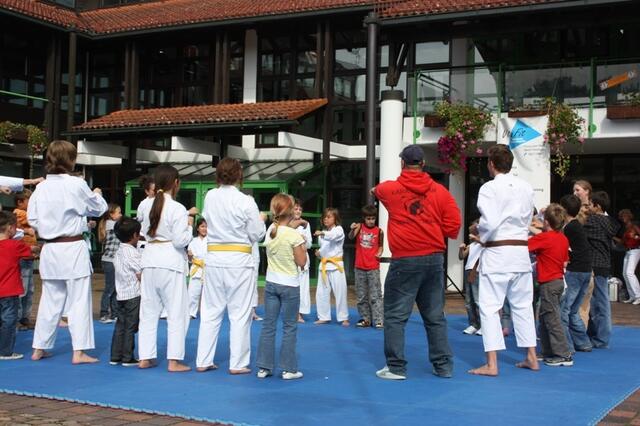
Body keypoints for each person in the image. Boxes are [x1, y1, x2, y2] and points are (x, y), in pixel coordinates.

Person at [373, 144, 461, 380]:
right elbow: (453, 226)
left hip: (405, 259)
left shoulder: (390, 189)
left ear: (402, 163)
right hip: (433, 258)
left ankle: (396, 367)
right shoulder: (440, 192)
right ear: (423, 164)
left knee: (395, 315)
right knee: (434, 316)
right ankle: (443, 366)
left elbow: (376, 190)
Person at [28, 140, 108, 364]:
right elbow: (99, 208)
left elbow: (33, 219)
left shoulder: (41, 188)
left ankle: (39, 347)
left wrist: (51, 225)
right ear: (71, 160)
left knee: (49, 300)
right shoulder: (76, 184)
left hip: (50, 247)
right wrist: (97, 194)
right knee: (79, 300)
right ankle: (79, 351)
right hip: (72, 247)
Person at [469, 144, 538, 377]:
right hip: (520, 252)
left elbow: (489, 222)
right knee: (523, 305)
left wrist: (480, 233)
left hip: (498, 253)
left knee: (489, 307)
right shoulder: (525, 187)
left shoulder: (489, 188)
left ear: (491, 164)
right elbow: (528, 218)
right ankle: (531, 356)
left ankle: (492, 364)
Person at [196, 157, 266, 374]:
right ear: (239, 175)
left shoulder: (210, 196)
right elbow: (257, 234)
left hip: (215, 258)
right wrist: (261, 221)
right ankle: (238, 363)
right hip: (238, 260)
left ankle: (203, 360)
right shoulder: (246, 201)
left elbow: (208, 220)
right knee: (240, 313)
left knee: (210, 311)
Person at [138, 165, 194, 372]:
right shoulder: (177, 208)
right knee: (177, 312)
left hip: (150, 258)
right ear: (176, 183)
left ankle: (145, 356)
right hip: (170, 260)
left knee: (148, 312)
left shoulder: (145, 205)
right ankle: (174, 360)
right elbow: (180, 241)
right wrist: (190, 227)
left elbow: (144, 231)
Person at [256, 194, 307, 380]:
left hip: (271, 283)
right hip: (290, 284)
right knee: (289, 327)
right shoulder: (294, 235)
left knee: (268, 326)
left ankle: (264, 367)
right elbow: (302, 261)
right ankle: (288, 369)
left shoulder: (271, 230)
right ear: (291, 210)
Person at [528, 204, 572, 366]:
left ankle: (563, 354)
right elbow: (565, 259)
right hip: (558, 281)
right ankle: (549, 351)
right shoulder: (562, 238)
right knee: (546, 317)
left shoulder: (545, 238)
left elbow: (525, 245)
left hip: (549, 282)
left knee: (552, 319)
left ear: (546, 221)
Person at [0, 211, 40, 360]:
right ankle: (5, 351)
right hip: (9, 290)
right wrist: (38, 248)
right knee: (9, 321)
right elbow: (30, 251)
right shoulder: (14, 245)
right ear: (10, 228)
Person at [584, 191, 619, 349]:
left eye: (590, 205)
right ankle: (598, 335)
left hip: (595, 264)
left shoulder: (592, 221)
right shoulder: (610, 222)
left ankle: (601, 337)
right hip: (604, 264)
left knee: (599, 302)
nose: (588, 208)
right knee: (599, 302)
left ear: (597, 206)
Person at [559, 194, 593, 353]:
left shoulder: (570, 228)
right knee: (573, 310)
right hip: (585, 270)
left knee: (564, 310)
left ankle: (566, 346)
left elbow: (557, 241)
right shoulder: (576, 226)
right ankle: (583, 342)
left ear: (564, 209)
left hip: (575, 271)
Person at [110, 217, 142, 367]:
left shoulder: (119, 251)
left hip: (121, 293)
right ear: (135, 235)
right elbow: (139, 273)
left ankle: (115, 355)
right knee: (131, 326)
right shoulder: (132, 253)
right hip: (133, 294)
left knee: (120, 325)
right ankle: (128, 356)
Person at [349, 204, 384, 329]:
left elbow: (381, 246)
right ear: (364, 218)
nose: (371, 221)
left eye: (373, 218)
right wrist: (352, 229)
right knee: (361, 295)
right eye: (368, 218)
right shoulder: (359, 227)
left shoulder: (379, 231)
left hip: (373, 267)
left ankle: (379, 320)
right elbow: (351, 237)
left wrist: (379, 252)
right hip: (359, 267)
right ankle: (365, 319)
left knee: (376, 295)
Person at [314, 208, 349, 327]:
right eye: (324, 217)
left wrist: (322, 233)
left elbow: (333, 236)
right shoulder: (322, 233)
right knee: (321, 293)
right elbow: (325, 249)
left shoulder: (338, 230)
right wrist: (319, 253)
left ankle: (343, 317)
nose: (326, 219)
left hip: (336, 266)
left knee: (340, 292)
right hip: (324, 265)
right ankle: (323, 317)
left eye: (329, 217)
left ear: (335, 218)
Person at [13, 190, 37, 331]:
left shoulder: (26, 214)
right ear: (20, 202)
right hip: (22, 257)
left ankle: (25, 317)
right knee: (23, 289)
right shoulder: (19, 213)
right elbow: (33, 220)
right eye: (29, 200)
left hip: (28, 257)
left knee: (29, 290)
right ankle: (17, 318)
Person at [98, 203, 122, 323]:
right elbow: (123, 227)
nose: (121, 214)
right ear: (111, 214)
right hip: (109, 261)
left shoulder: (112, 224)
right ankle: (104, 313)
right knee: (109, 288)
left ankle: (114, 314)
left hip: (113, 261)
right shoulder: (110, 224)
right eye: (119, 212)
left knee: (115, 288)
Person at [459, 220, 482, 336]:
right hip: (468, 270)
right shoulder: (472, 245)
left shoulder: (484, 241)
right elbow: (461, 257)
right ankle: (473, 324)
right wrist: (461, 249)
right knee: (468, 301)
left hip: (477, 271)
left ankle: (483, 325)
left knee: (478, 300)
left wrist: (476, 238)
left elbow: (486, 244)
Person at [293, 199, 312, 323]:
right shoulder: (287, 223)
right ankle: (291, 312)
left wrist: (305, 240)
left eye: (300, 209)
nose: (298, 211)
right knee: (291, 286)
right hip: (290, 258)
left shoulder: (306, 224)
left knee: (303, 287)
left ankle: (299, 313)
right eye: (296, 209)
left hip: (303, 258)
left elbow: (309, 244)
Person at [617, 209, 640, 304]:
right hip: (628, 251)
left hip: (635, 250)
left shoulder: (634, 227)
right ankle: (632, 296)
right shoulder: (625, 229)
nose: (623, 218)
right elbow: (622, 242)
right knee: (624, 273)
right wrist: (611, 237)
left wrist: (637, 237)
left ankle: (638, 295)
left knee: (629, 272)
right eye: (622, 217)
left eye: (625, 216)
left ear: (629, 217)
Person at [187, 218, 207, 318]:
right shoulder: (193, 241)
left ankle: (207, 313)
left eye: (206, 227)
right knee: (193, 293)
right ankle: (191, 312)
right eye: (202, 226)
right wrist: (190, 256)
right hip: (196, 268)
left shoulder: (211, 240)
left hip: (208, 269)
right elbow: (190, 258)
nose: (204, 229)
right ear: (198, 228)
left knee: (209, 295)